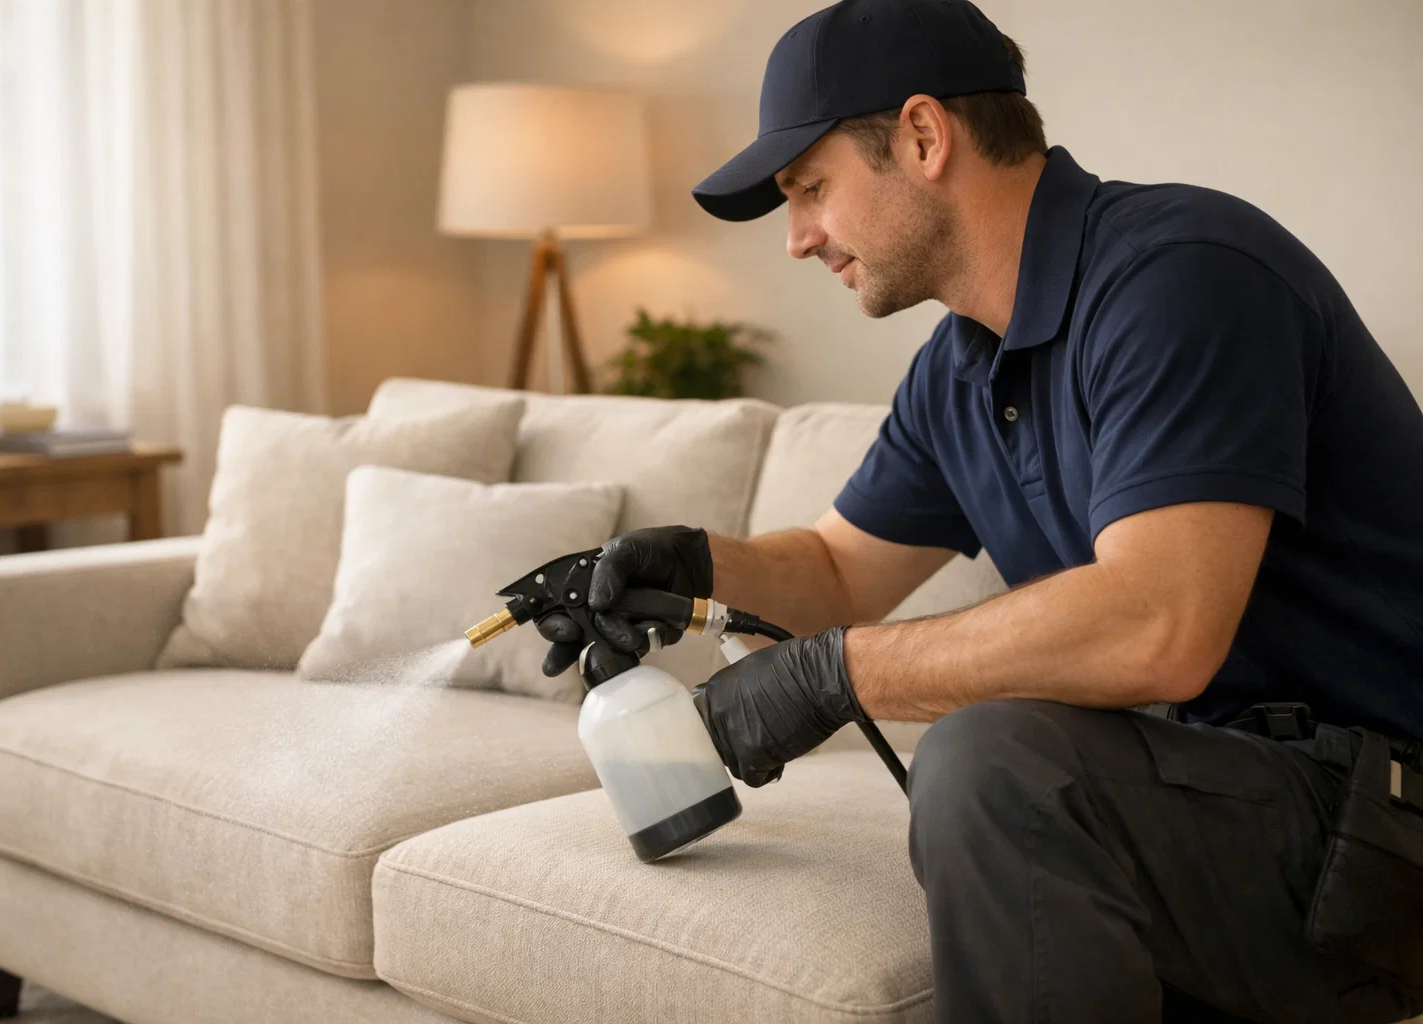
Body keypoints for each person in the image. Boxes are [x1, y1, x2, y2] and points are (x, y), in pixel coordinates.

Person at [535, 1, 1423, 1020]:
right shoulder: (960, 365)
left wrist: (841, 674)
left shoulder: (1184, 276)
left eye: (810, 189)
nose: (797, 238)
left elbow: (1162, 623)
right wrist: (690, 567)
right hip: (1227, 803)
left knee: (998, 762)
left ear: (922, 136)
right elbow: (835, 571)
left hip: (1381, 835)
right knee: (1003, 757)